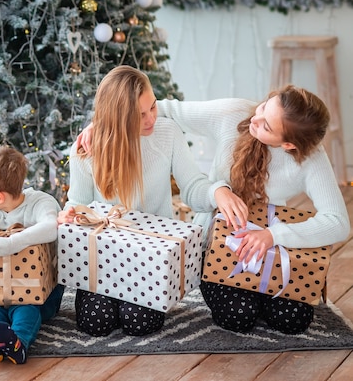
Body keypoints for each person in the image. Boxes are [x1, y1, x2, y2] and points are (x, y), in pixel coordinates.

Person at [80, 84, 350, 334]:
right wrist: (101, 125)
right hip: (218, 246)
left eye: (267, 126)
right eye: (265, 106)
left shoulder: (309, 157)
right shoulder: (233, 113)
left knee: (293, 320)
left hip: (271, 250)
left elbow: (337, 222)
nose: (255, 119)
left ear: (289, 144)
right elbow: (157, 109)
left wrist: (273, 235)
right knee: (239, 315)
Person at [61, 65, 248, 338]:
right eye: (140, 115)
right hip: (104, 257)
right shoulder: (86, 150)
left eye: (153, 107)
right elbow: (77, 202)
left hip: (152, 258)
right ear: (118, 118)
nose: (150, 119)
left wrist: (217, 191)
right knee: (95, 322)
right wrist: (68, 215)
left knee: (140, 323)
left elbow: (193, 185)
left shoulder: (167, 132)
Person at [0, 146, 64, 364]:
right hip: (0, 288)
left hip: (43, 293)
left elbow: (50, 227)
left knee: (26, 309)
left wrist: (11, 244)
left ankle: (19, 343)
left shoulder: (40, 202)